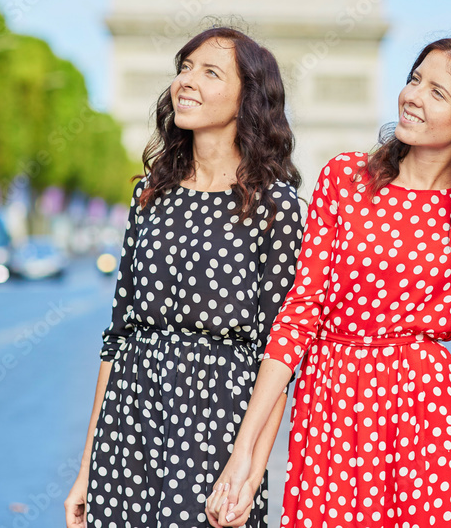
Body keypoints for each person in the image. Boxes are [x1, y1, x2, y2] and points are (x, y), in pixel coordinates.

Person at [205, 37, 451, 528]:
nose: (413, 96)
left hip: (427, 412)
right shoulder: (345, 178)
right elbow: (299, 314)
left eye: (437, 92)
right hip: (333, 404)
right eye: (414, 79)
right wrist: (245, 452)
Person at [64, 27, 303, 528]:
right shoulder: (149, 197)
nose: (186, 82)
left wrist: (250, 474)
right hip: (129, 419)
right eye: (184, 67)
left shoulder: (275, 207)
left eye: (210, 72)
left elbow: (279, 355)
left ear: (248, 100)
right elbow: (118, 337)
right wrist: (87, 466)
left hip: (215, 421)